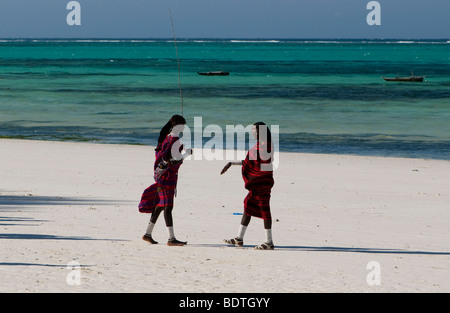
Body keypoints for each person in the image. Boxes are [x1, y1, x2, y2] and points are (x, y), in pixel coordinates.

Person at [221, 122, 275, 250]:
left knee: (265, 210)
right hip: (257, 183)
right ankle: (239, 239)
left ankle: (269, 242)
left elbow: (262, 165)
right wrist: (231, 163)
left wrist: (256, 176)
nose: (252, 132)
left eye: (254, 130)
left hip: (262, 183)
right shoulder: (259, 145)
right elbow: (249, 161)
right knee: (248, 206)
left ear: (260, 132)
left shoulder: (266, 146)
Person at [139, 115, 191, 246]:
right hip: (168, 177)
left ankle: (147, 234)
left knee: (160, 206)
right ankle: (171, 238)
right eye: (183, 125)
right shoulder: (174, 139)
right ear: (177, 126)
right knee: (168, 207)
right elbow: (171, 160)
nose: (184, 127)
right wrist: (186, 154)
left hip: (160, 174)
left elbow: (162, 155)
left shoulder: (166, 137)